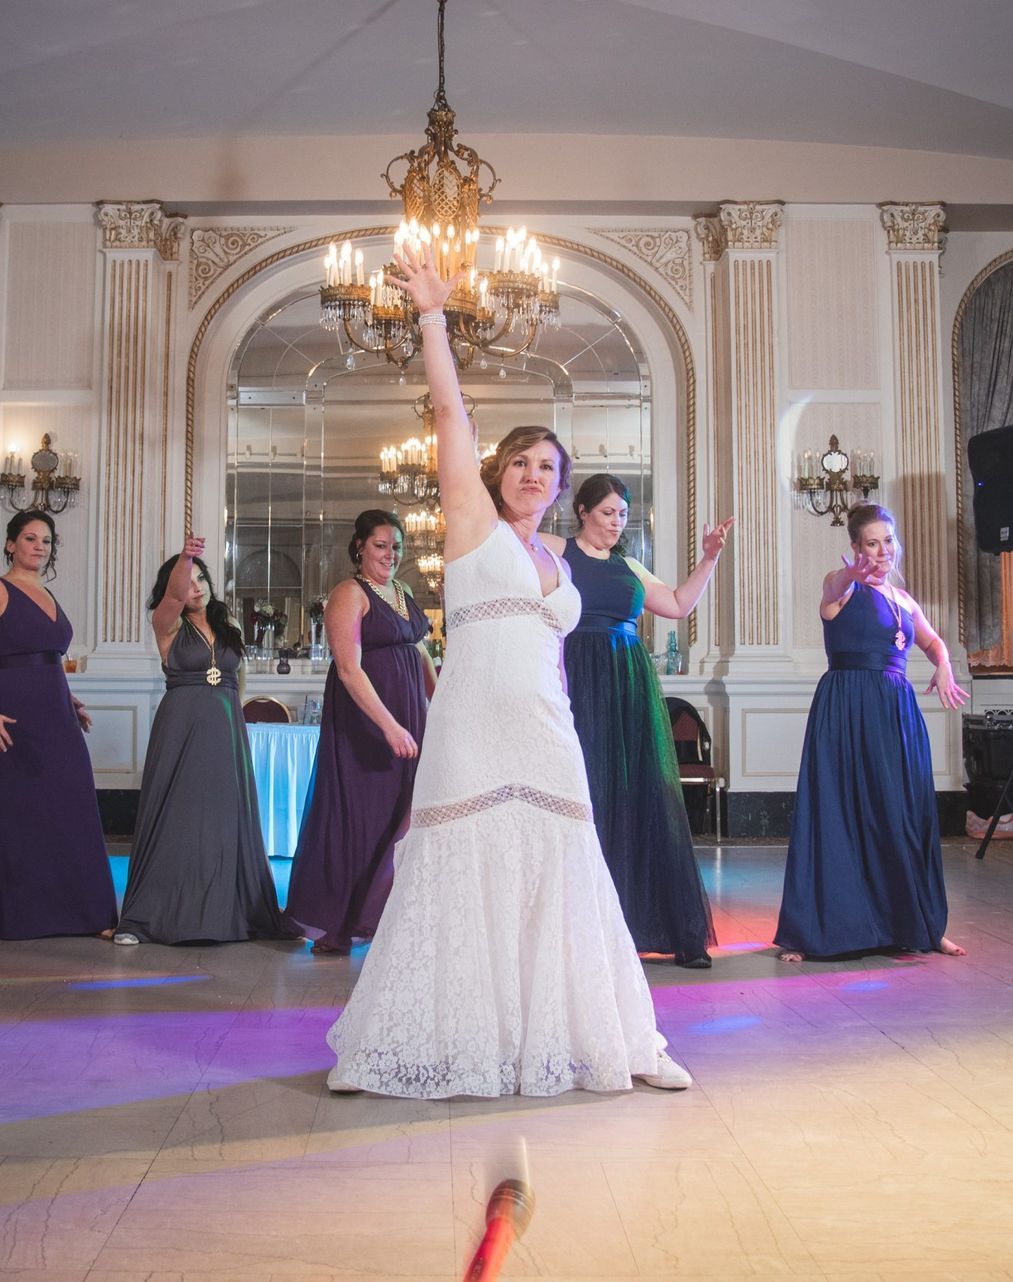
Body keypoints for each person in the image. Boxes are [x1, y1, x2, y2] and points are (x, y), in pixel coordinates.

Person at [325, 239, 691, 1098]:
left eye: (548, 468)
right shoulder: (468, 525)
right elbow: (450, 414)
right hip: (473, 723)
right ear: (499, 472)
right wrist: (430, 317)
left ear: (560, 488)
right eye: (522, 462)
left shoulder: (562, 559)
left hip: (544, 726)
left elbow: (568, 650)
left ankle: (622, 1039)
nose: (534, 474)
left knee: (566, 871)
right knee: (458, 864)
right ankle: (402, 1044)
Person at [544, 475, 734, 968]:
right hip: (578, 677)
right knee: (588, 794)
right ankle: (583, 935)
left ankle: (657, 924)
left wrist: (709, 557)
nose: (616, 522)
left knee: (643, 793)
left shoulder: (629, 564)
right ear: (582, 510)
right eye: (607, 513)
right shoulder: (556, 549)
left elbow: (677, 604)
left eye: (623, 514)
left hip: (629, 680)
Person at [775, 503, 969, 962]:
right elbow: (832, 586)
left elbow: (933, 641)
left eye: (889, 541)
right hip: (847, 709)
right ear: (856, 548)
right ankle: (815, 932)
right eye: (872, 543)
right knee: (839, 813)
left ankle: (919, 924)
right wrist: (852, 577)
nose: (883, 551)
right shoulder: (842, 588)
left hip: (896, 714)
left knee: (903, 814)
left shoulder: (904, 600)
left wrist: (943, 664)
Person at [0, 510, 117, 941]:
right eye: (30, 538)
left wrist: (67, 699)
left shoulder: (49, 595)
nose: (39, 546)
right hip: (7, 716)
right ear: (10, 544)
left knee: (69, 809)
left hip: (55, 717)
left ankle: (86, 914)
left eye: (46, 541)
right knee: (5, 812)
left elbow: (45, 659)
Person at [116, 537, 294, 945]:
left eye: (201, 578)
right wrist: (185, 558)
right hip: (181, 727)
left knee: (224, 817)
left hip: (225, 730)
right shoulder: (167, 625)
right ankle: (146, 918)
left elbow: (237, 680)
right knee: (176, 817)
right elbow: (174, 596)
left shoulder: (227, 627)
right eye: (187, 580)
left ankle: (229, 911)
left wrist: (238, 723)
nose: (196, 585)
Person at [285, 510, 435, 954]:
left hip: (411, 714)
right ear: (359, 547)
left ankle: (382, 917)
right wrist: (389, 726)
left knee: (404, 817)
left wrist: (442, 704)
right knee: (361, 818)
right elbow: (350, 670)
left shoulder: (404, 591)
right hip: (366, 723)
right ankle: (339, 920)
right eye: (381, 545)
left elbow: (421, 653)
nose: (391, 554)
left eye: (397, 546)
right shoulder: (348, 594)